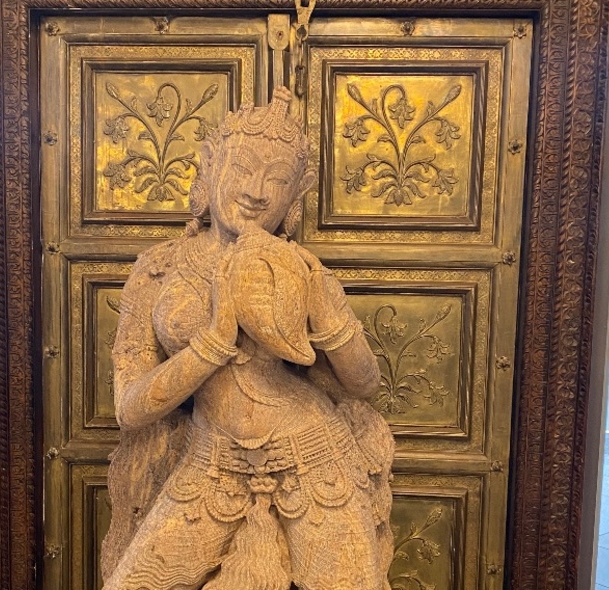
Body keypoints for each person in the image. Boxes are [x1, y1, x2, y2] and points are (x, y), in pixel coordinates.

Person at [100, 87, 394, 590]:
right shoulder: (158, 270)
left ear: (293, 196)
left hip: (314, 459)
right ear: (211, 167)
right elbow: (130, 408)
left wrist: (325, 312)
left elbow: (363, 383)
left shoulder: (300, 269)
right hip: (211, 464)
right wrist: (212, 342)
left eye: (277, 180)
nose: (258, 190)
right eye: (243, 168)